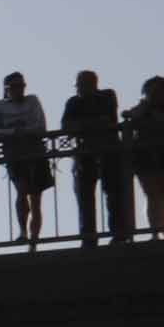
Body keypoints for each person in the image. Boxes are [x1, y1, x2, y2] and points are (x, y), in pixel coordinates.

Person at [63, 70, 127, 246]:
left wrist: (82, 126)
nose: (79, 88)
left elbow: (108, 120)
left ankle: (118, 234)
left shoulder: (107, 95)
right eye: (78, 84)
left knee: (113, 194)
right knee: (85, 197)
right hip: (85, 154)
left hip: (108, 151)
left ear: (93, 83)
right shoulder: (73, 102)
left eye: (82, 84)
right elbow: (67, 126)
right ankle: (89, 237)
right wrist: (93, 123)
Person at [0, 71, 52, 247]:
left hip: (36, 151)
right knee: (22, 191)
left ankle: (34, 239)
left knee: (36, 198)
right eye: (15, 87)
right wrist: (13, 132)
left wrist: (23, 131)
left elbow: (41, 126)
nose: (19, 90)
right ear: (6, 89)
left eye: (21, 86)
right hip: (15, 153)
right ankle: (23, 232)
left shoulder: (33, 101)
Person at [124, 76, 164, 238]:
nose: (156, 94)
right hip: (144, 156)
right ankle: (155, 232)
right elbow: (129, 116)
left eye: (160, 90)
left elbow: (163, 120)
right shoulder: (142, 108)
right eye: (152, 91)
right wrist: (142, 109)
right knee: (152, 195)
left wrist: (147, 109)